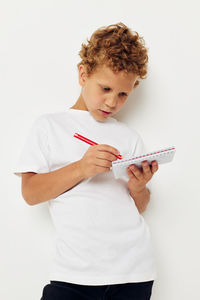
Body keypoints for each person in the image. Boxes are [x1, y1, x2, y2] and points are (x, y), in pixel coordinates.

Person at [13, 22, 159, 300]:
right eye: (105, 88)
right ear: (83, 74)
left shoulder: (128, 136)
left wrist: (139, 188)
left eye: (123, 94)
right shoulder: (49, 127)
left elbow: (138, 207)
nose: (112, 102)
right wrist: (81, 168)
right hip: (74, 274)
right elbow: (30, 194)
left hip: (134, 272)